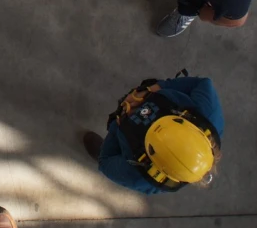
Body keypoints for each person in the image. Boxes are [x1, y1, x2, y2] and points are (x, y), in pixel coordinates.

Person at [82, 70, 223, 195]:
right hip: (156, 98)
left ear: (155, 165)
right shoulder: (207, 113)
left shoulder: (138, 175)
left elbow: (105, 162)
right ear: (188, 122)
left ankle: (104, 149)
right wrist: (154, 88)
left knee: (107, 159)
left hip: (124, 129)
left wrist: (119, 119)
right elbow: (200, 83)